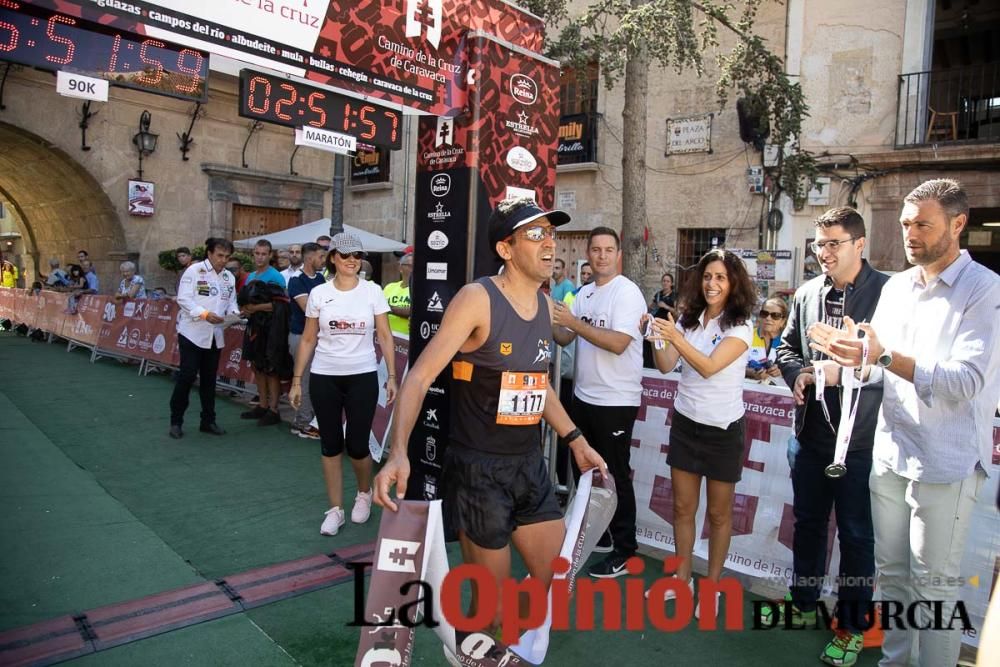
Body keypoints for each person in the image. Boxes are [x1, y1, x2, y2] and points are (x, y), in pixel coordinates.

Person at [372, 197, 606, 641]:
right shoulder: (477, 298)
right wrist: (399, 451)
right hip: (478, 471)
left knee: (555, 584)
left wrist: (574, 438)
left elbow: (537, 385)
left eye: (551, 234)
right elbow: (420, 376)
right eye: (536, 235)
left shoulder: (543, 304)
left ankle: (495, 637)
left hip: (528, 466)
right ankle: (483, 638)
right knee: (490, 611)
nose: (550, 243)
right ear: (505, 249)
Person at [808, 179, 1000, 667]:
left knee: (933, 589)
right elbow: (875, 365)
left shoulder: (985, 290)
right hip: (890, 455)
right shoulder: (897, 286)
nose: (910, 233)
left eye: (922, 224)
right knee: (892, 578)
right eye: (905, 224)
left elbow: (965, 380)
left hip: (946, 463)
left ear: (958, 225)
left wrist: (883, 355)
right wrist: (844, 361)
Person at [772, 207, 888, 667]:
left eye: (833, 243)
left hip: (862, 442)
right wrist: (798, 372)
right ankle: (803, 603)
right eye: (819, 244)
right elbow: (784, 344)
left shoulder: (888, 294)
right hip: (811, 436)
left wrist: (845, 370)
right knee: (808, 523)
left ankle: (852, 625)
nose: (823, 252)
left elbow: (894, 363)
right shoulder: (806, 293)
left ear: (859, 244)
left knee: (858, 536)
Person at [644, 248, 756, 617]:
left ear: (733, 283)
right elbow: (664, 367)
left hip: (723, 430)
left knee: (720, 516)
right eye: (708, 276)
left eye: (721, 277)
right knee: (681, 509)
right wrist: (657, 335)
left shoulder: (741, 325)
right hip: (686, 424)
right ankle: (681, 580)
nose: (712, 284)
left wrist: (675, 338)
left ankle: (711, 586)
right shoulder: (689, 320)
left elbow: (708, 367)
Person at [552, 226, 647, 576]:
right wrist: (547, 314)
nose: (602, 256)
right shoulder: (583, 292)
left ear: (618, 255)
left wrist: (573, 322)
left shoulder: (628, 293)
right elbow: (563, 337)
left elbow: (619, 342)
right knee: (586, 472)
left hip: (616, 400)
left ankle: (627, 550)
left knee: (616, 475)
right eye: (596, 250)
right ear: (588, 255)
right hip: (583, 396)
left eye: (608, 250)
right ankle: (604, 534)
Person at [289, 233, 398, 535]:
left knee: (359, 445)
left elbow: (386, 336)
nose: (353, 261)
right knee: (330, 443)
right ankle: (335, 509)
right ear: (333, 258)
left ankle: (363, 493)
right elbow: (309, 338)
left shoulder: (373, 291)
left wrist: (391, 375)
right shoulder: (319, 294)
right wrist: (297, 379)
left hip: (362, 375)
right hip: (325, 375)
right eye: (346, 255)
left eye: (358, 256)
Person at [169, 238, 239, 439]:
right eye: (219, 255)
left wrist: (236, 314)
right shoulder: (194, 271)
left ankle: (208, 421)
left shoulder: (229, 277)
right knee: (187, 376)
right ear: (209, 253)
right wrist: (204, 314)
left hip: (216, 336)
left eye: (227, 257)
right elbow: (183, 298)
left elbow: (231, 302)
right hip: (192, 333)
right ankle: (176, 421)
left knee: (209, 381)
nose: (223, 260)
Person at [240, 239, 289, 427]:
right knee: (256, 366)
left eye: (263, 253)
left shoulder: (276, 277)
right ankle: (262, 404)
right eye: (257, 253)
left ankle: (274, 410)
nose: (260, 257)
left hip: (272, 329)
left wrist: (255, 307)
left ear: (270, 255)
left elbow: (281, 305)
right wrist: (246, 309)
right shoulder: (251, 275)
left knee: (271, 368)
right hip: (254, 327)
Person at [286, 243, 326, 440]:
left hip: (317, 337)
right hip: (301, 336)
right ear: (310, 258)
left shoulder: (320, 278)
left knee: (313, 380)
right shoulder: (296, 280)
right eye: (321, 256)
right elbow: (309, 308)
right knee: (304, 381)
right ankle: (302, 423)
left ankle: (306, 421)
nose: (323, 260)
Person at [745, 296, 788, 384]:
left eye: (775, 315)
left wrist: (783, 371)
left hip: (779, 394)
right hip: (749, 391)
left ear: (783, 321)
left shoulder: (788, 342)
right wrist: (751, 373)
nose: (768, 318)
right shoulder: (746, 336)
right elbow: (733, 366)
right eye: (764, 314)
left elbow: (799, 369)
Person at [383, 252, 412, 335]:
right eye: (410, 265)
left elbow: (413, 312)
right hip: (388, 336)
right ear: (400, 268)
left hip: (407, 339)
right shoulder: (389, 287)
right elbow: (378, 309)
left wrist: (389, 308)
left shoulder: (420, 290)